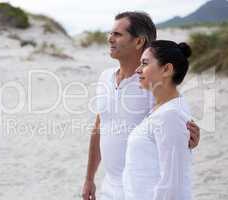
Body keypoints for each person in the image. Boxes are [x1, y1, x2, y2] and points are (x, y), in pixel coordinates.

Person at [82, 12, 200, 200]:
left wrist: (190, 137)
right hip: (108, 186)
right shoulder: (104, 78)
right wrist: (89, 178)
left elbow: (175, 124)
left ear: (138, 42)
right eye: (110, 33)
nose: (109, 39)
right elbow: (99, 127)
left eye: (117, 34)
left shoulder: (152, 85)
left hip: (139, 190)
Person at [123, 40, 193, 200]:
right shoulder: (163, 109)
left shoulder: (170, 115)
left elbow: (173, 184)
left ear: (167, 69)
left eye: (145, 63)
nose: (137, 70)